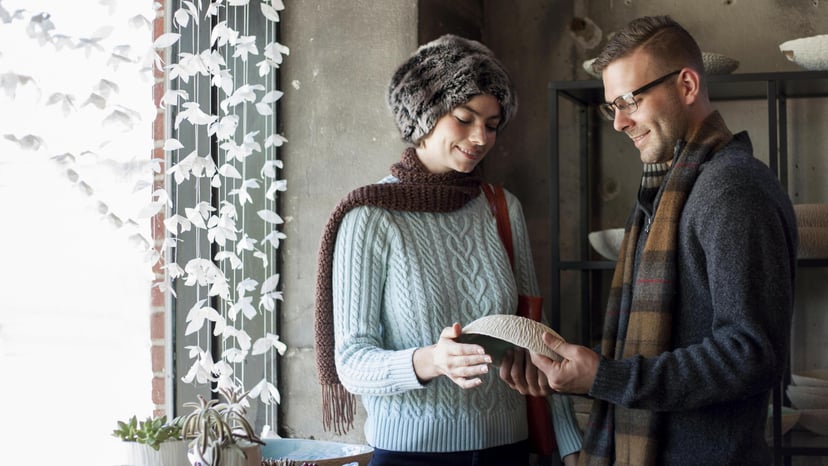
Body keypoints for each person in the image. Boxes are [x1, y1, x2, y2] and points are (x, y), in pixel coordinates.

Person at [527, 15, 798, 466]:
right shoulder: (669, 190)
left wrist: (607, 376)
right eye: (611, 106)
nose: (618, 122)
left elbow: (751, 355)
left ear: (688, 86)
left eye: (630, 100)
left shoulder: (732, 190)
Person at [313, 34, 582, 466]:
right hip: (410, 455)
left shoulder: (500, 206)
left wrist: (570, 443)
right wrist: (433, 360)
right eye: (464, 117)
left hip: (506, 450)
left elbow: (538, 334)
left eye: (492, 125)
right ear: (424, 113)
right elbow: (352, 362)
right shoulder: (370, 216)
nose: (480, 137)